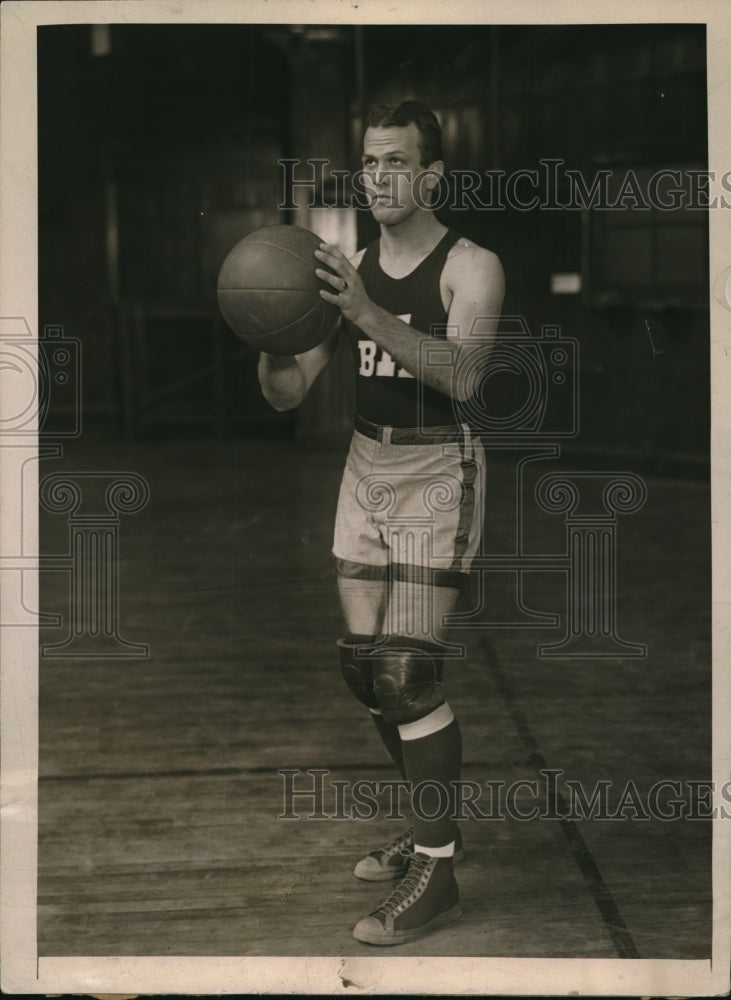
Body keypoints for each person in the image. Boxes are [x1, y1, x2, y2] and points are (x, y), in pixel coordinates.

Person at [258, 100, 505, 945]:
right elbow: (290, 391)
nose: (377, 178)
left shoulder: (469, 266)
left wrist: (363, 312)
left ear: (431, 175)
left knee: (407, 675)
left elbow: (465, 378)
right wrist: (268, 333)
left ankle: (436, 873)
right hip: (364, 468)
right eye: (368, 163)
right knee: (367, 674)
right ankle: (434, 829)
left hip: (440, 469)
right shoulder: (348, 265)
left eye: (396, 162)